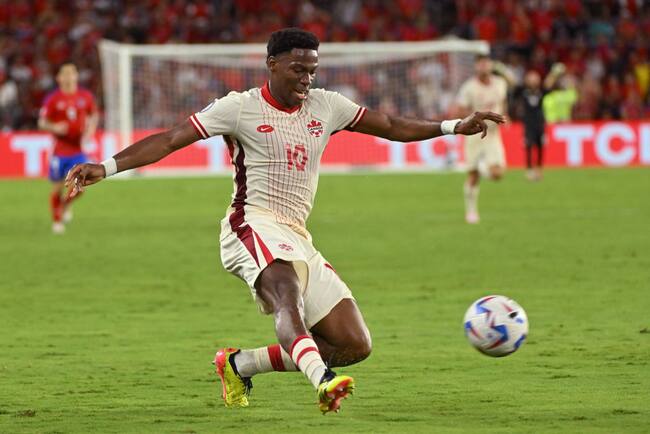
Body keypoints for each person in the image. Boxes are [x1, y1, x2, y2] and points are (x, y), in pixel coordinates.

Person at [65, 28, 504, 413]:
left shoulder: (326, 106)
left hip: (296, 234)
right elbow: (171, 139)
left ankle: (239, 364)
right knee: (286, 293)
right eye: (298, 69)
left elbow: (389, 125)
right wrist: (107, 166)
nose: (306, 79)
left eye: (312, 70)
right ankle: (323, 382)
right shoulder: (239, 108)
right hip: (250, 224)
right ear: (271, 65)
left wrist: (452, 126)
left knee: (353, 343)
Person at [38, 62, 98, 234]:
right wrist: (54, 127)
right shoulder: (53, 99)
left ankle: (64, 205)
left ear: (76, 76)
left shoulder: (85, 96)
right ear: (58, 78)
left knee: (80, 186)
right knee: (57, 188)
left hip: (78, 150)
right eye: (64, 74)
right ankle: (57, 221)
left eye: (71, 73)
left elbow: (94, 114)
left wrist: (90, 130)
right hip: (59, 151)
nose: (68, 77)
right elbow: (42, 122)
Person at [455, 55, 510, 224]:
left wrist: (504, 116)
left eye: (486, 63)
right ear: (476, 67)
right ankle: (471, 211)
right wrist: (473, 120)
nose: (484, 67)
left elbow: (503, 102)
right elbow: (460, 110)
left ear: (491, 66)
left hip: (493, 134)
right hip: (475, 135)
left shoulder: (500, 83)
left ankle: (482, 166)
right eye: (481, 64)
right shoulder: (468, 88)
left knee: (498, 174)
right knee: (473, 176)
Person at [515, 71, 546, 181]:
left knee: (540, 146)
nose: (533, 81)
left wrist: (555, 73)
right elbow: (513, 84)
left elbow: (549, 85)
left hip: (540, 124)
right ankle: (529, 170)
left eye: (535, 78)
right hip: (528, 124)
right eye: (531, 79)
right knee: (528, 146)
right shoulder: (523, 91)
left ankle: (539, 169)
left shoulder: (541, 91)